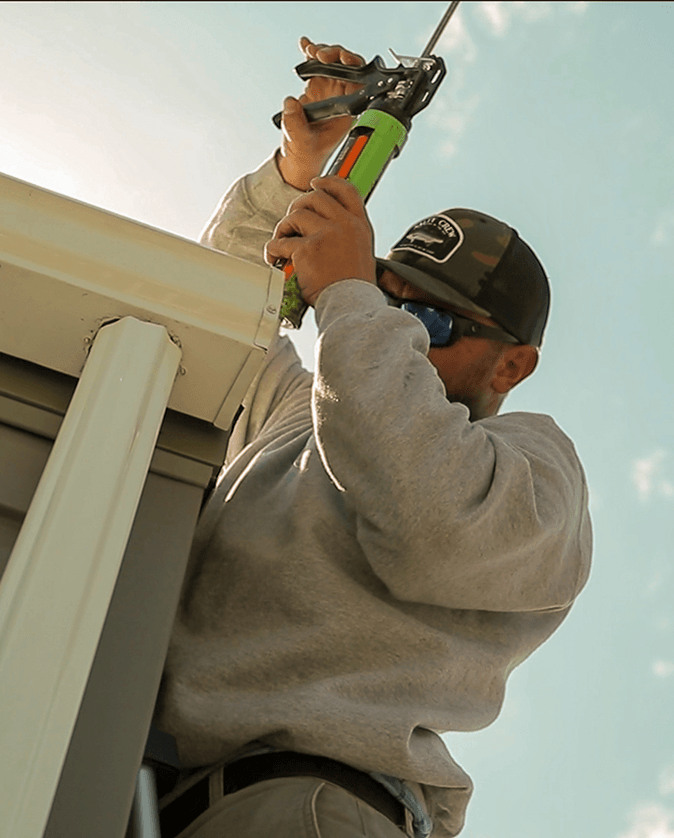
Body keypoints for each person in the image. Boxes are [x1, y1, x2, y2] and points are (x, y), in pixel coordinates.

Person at [154, 37, 593, 838]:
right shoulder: (307, 410)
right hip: (159, 794)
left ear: (512, 366)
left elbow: (429, 513)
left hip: (313, 809)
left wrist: (352, 292)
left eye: (429, 318)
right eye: (390, 303)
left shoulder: (536, 471)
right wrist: (302, 173)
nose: (398, 331)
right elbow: (211, 313)